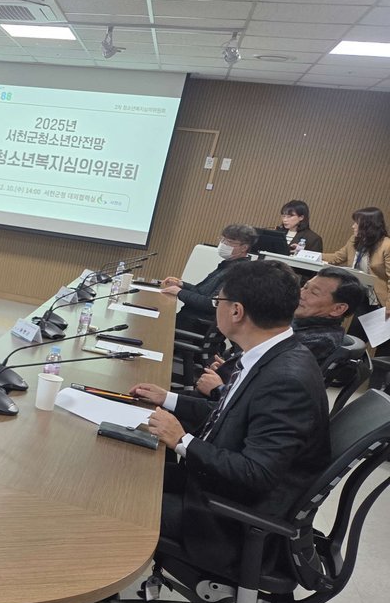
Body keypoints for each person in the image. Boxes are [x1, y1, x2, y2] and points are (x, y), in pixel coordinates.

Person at [130, 260, 331, 574]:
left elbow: (257, 472)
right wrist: (167, 398)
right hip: (210, 484)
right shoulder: (271, 353)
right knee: (124, 471)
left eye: (218, 301)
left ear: (236, 311)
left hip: (224, 518)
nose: (216, 308)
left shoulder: (286, 379)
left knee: (116, 500)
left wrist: (181, 440)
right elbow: (229, 414)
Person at [195, 266, 365, 396]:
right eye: (305, 287)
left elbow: (265, 397)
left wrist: (219, 389)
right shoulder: (303, 327)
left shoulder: (316, 342)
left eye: (313, 293)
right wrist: (232, 367)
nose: (301, 294)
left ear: (338, 309)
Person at [162, 223, 256, 330]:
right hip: (188, 319)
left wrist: (180, 292)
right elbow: (202, 292)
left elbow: (212, 304)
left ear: (244, 247)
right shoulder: (228, 265)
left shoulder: (239, 272)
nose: (223, 244)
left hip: (195, 324)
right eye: (222, 239)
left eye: (229, 242)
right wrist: (182, 285)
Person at [323, 207, 390, 313]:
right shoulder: (355, 240)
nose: (353, 226)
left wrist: (389, 306)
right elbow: (336, 257)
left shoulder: (386, 245)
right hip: (359, 292)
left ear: (368, 225)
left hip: (379, 299)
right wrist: (307, 254)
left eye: (356, 223)